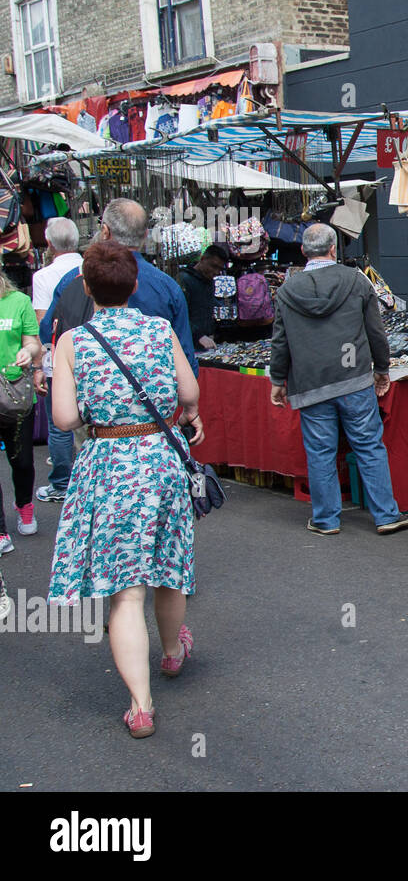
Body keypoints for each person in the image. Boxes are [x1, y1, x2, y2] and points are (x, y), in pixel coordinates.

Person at [47, 243, 204, 739]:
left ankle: (140, 706)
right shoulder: (158, 329)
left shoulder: (73, 342)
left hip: (108, 467)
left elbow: (65, 418)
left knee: (125, 593)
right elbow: (190, 393)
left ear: (87, 288)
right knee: (169, 568)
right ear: (135, 285)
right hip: (160, 457)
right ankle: (173, 653)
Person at [269, 223, 408, 536]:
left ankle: (325, 519)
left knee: (320, 452)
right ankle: (386, 515)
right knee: (369, 446)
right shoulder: (356, 281)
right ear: (334, 248)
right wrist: (382, 369)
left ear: (304, 251)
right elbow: (375, 331)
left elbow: (280, 341)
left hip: (310, 381)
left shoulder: (288, 290)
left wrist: (278, 380)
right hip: (353, 378)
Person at [40, 198, 198, 374]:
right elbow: (187, 364)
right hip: (153, 395)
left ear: (105, 231)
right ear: (146, 234)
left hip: (88, 392)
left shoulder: (75, 279)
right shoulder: (168, 288)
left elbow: (48, 333)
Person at [33, 216, 83, 504]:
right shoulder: (88, 267)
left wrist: (39, 366)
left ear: (49, 244)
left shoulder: (43, 277)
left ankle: (62, 483)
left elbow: (43, 323)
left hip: (58, 357)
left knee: (59, 423)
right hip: (92, 354)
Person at [0, 268, 44, 548]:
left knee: (23, 462)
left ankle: (24, 504)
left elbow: (33, 342)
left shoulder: (18, 301)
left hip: (15, 394)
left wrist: (28, 352)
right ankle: (1, 531)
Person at [177, 244, 230, 351]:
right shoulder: (183, 279)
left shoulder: (210, 281)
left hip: (206, 343)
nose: (216, 272)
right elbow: (179, 315)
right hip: (187, 344)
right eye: (213, 266)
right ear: (202, 259)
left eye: (219, 269)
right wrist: (199, 336)